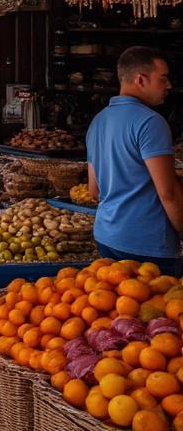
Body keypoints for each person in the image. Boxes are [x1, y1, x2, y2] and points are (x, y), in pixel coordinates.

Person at [88, 46, 183, 274]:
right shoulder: (151, 122)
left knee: (119, 308)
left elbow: (94, 190)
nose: (168, 85)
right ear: (140, 79)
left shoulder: (99, 120)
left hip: (107, 237)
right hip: (147, 244)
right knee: (161, 308)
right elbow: (168, 192)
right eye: (163, 78)